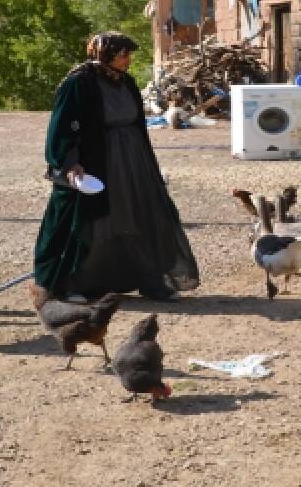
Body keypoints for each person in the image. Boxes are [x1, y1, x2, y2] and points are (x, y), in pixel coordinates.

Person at [32, 32, 200, 306]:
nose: (128, 60)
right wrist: (70, 163)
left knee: (138, 215)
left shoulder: (126, 82)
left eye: (128, 54)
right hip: (96, 160)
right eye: (123, 54)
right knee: (89, 221)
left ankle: (148, 279)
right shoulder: (79, 83)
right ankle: (75, 284)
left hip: (132, 162)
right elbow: (62, 127)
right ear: (105, 54)